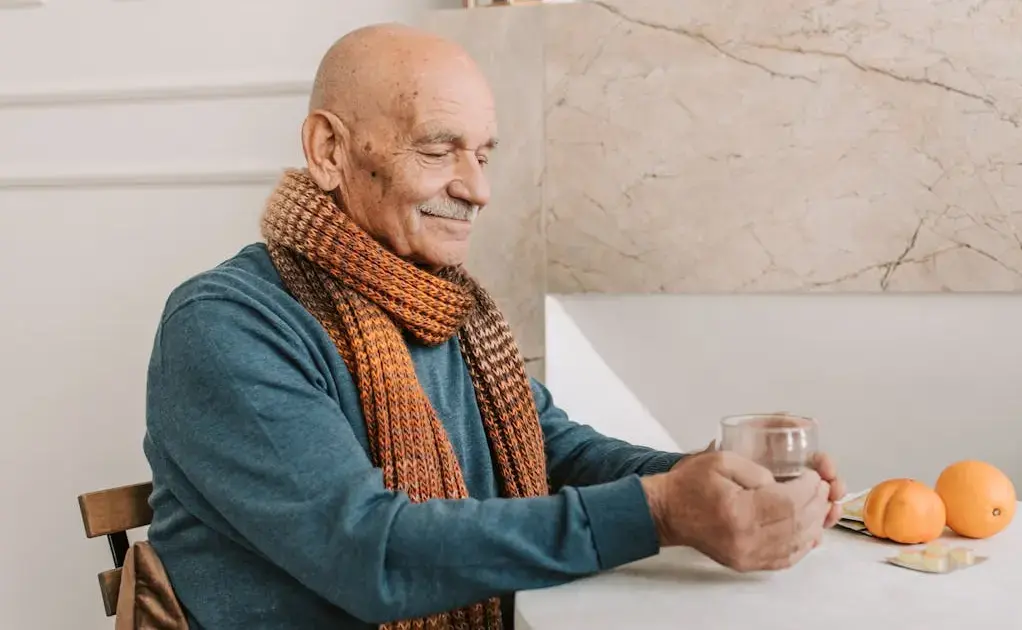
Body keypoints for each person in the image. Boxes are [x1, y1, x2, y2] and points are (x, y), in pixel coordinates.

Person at [140, 23, 845, 630]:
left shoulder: (446, 311)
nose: (477, 189)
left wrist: (713, 482)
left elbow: (559, 452)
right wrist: (662, 511)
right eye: (439, 149)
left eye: (483, 154)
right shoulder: (225, 325)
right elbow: (371, 553)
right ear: (330, 151)